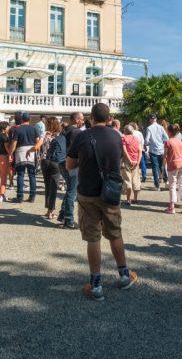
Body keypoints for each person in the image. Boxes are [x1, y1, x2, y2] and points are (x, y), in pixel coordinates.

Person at [66, 103, 138, 301]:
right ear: (109, 118)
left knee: (93, 238)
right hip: (111, 192)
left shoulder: (82, 136)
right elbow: (120, 158)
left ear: (91, 117)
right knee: (115, 233)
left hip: (88, 192)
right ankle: (124, 275)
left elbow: (70, 164)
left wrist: (85, 160)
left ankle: (96, 284)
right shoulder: (116, 135)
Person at [58, 112, 84, 229]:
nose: (83, 121)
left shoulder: (65, 130)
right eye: (82, 119)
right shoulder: (76, 132)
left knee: (70, 189)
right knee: (72, 192)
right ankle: (68, 219)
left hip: (62, 162)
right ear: (77, 120)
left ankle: (63, 214)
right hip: (72, 163)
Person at [8, 112, 42, 203]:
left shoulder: (17, 129)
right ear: (29, 119)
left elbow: (14, 143)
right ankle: (32, 196)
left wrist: (10, 154)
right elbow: (37, 141)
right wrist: (37, 153)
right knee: (32, 175)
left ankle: (20, 196)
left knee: (20, 174)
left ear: (22, 119)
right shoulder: (34, 128)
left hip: (20, 151)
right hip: (31, 151)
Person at [40, 117, 66, 219]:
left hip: (45, 161)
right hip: (55, 161)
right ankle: (51, 210)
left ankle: (48, 210)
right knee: (54, 186)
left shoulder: (44, 134)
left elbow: (39, 145)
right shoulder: (59, 135)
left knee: (47, 185)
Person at [163, 124, 182, 214]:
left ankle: (172, 207)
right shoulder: (180, 142)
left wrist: (163, 167)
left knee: (172, 186)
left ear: (169, 132)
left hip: (173, 165)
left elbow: (165, 155)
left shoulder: (168, 142)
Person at [144, 114, 168, 190]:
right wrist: (162, 143)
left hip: (153, 150)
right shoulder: (161, 127)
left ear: (150, 120)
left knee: (154, 167)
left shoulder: (149, 128)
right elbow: (166, 138)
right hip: (161, 149)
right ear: (156, 119)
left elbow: (147, 140)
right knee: (162, 166)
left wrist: (146, 144)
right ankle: (166, 181)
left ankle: (157, 185)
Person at [121, 124, 142, 205]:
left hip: (126, 162)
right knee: (136, 181)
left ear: (125, 131)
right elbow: (140, 150)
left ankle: (128, 200)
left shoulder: (123, 138)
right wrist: (138, 161)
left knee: (127, 181)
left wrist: (129, 160)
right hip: (136, 161)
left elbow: (124, 150)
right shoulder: (136, 139)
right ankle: (135, 198)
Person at [0, 121, 11, 202]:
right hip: (3, 156)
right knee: (4, 176)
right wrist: (10, 154)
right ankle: (2, 194)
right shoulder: (5, 136)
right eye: (8, 126)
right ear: (4, 128)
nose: (9, 128)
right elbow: (7, 147)